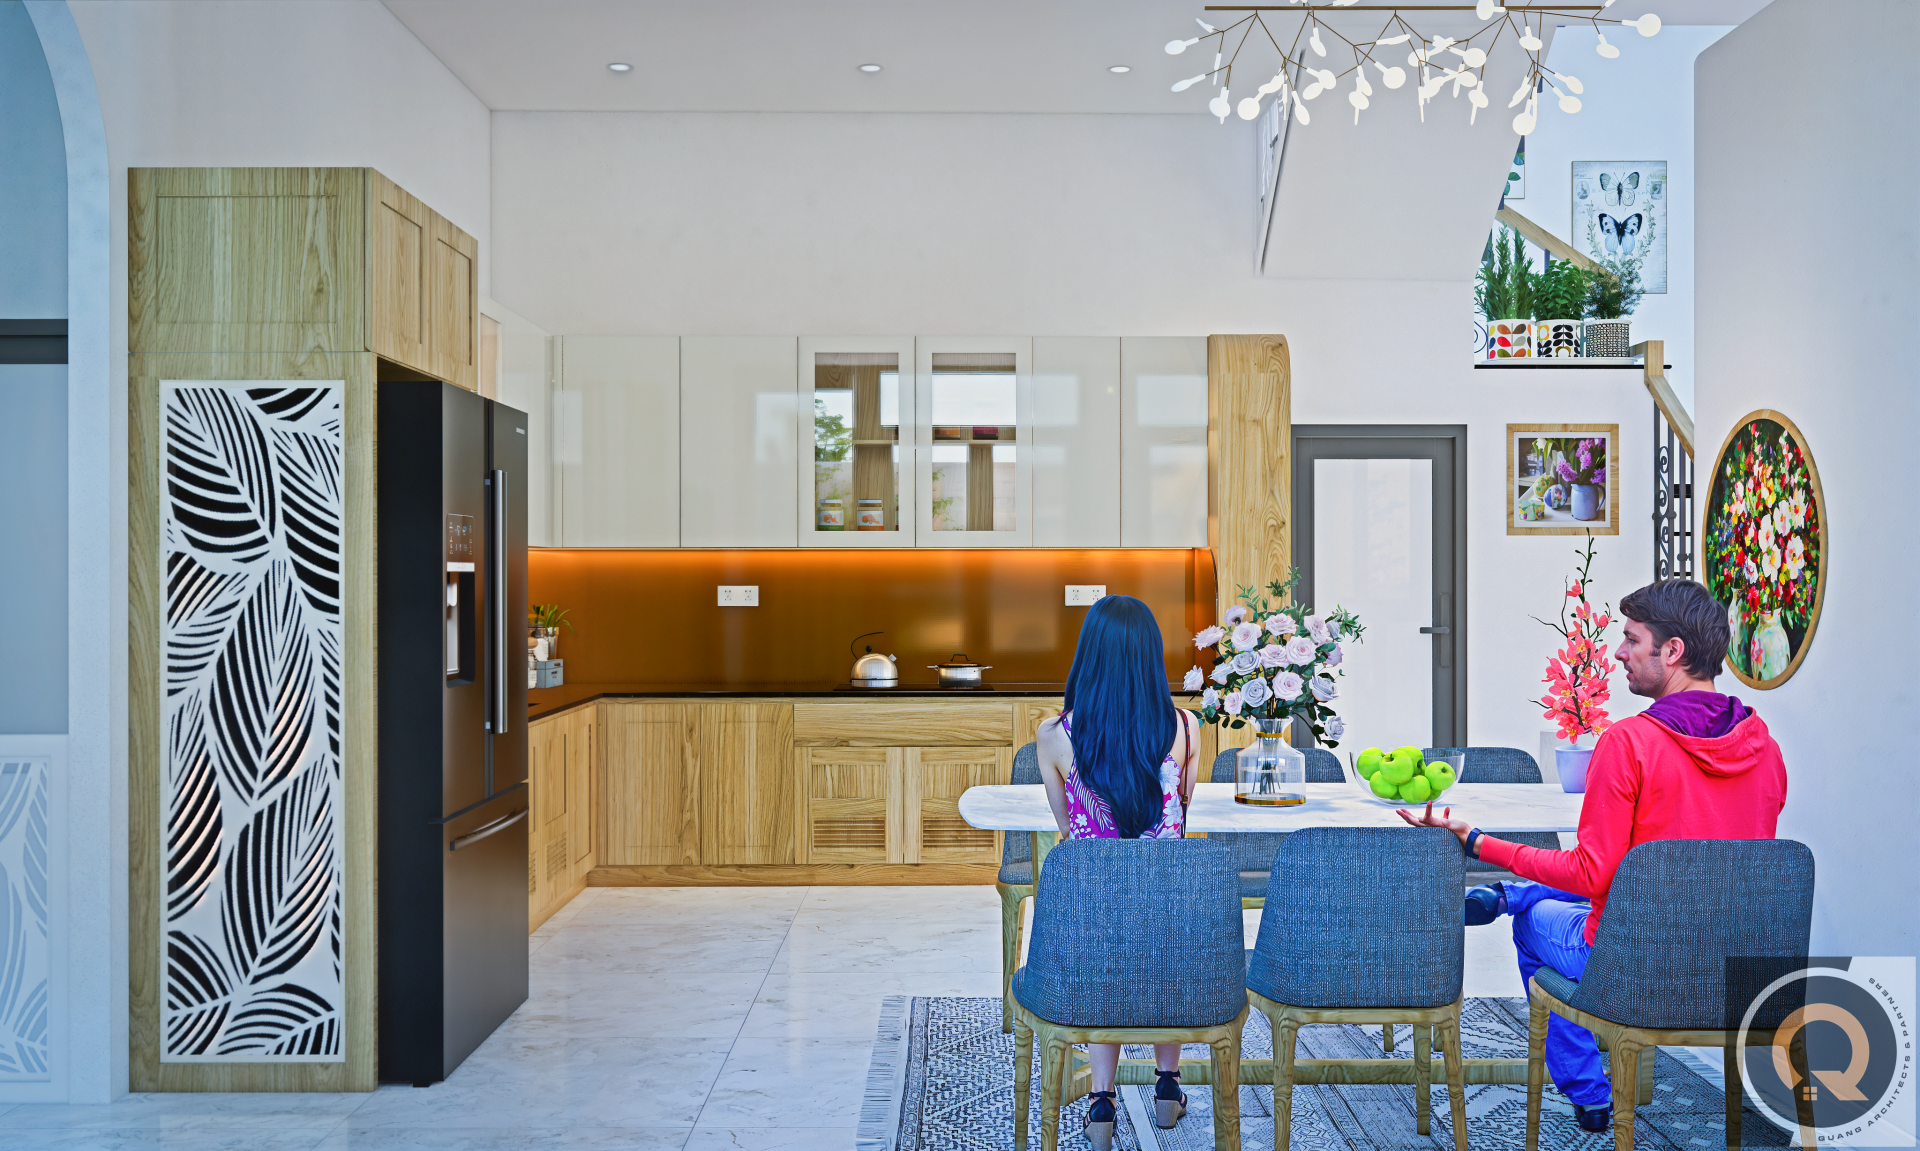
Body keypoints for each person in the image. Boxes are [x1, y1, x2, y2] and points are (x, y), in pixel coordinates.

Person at [1398, 578, 1787, 1132]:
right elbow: (1711, 872)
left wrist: (1479, 842)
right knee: (1617, 881)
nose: (1619, 653)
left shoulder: (1629, 743)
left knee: (1533, 921)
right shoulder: (1765, 747)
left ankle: (1588, 1092)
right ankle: (1514, 895)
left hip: (1635, 965)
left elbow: (1591, 873)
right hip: (1731, 970)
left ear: (1672, 651)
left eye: (1632, 640)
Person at [1035, 594, 1202, 1148]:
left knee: (1106, 971)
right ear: (1151, 656)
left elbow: (1068, 827)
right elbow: (1182, 810)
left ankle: (1101, 1101)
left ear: (1089, 655)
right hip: (1168, 907)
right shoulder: (1186, 727)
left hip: (1093, 912)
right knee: (1163, 969)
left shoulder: (1054, 735)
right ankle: (1167, 1086)